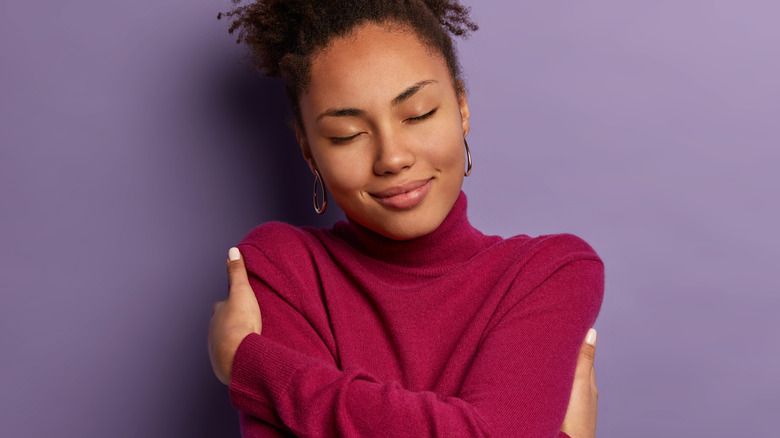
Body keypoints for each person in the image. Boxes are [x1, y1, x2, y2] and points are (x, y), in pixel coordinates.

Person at [208, 1, 604, 437]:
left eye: (418, 114)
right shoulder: (282, 268)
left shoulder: (550, 272)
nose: (392, 158)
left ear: (461, 106)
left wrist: (255, 366)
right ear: (308, 150)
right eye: (348, 135)